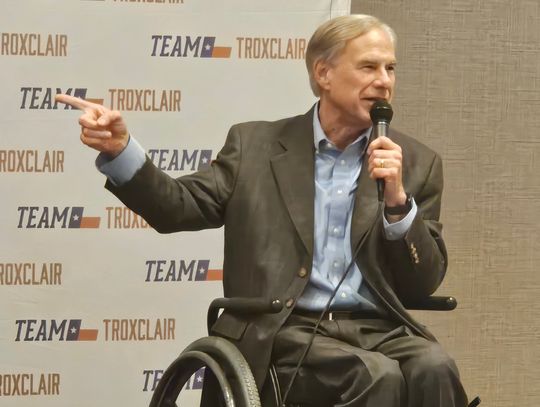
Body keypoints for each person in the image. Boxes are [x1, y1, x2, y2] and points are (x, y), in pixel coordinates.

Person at [57, 14, 468, 407]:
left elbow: (422, 282)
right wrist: (120, 151)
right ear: (323, 74)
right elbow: (176, 208)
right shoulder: (255, 147)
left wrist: (397, 202)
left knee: (435, 367)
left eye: (390, 69)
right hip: (283, 327)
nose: (383, 82)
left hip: (379, 328)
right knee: (375, 375)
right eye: (368, 68)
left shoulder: (413, 162)